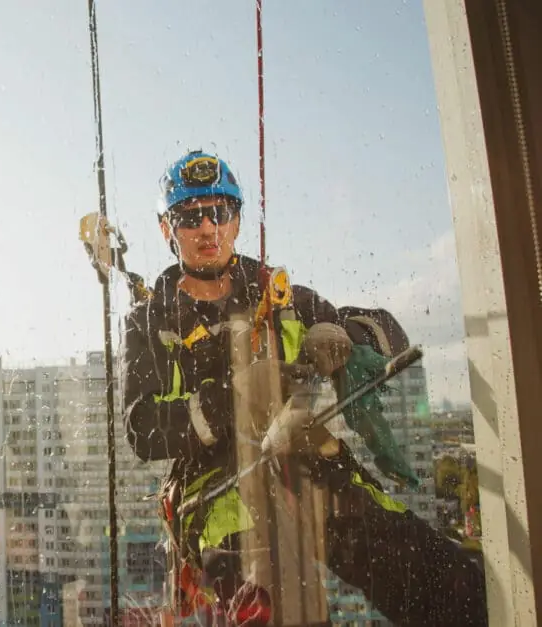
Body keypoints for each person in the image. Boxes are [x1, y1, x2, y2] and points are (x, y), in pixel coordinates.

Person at [121, 149, 488, 626]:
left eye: (220, 212)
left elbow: (384, 327)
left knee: (443, 582)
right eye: (191, 218)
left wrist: (347, 341)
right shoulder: (152, 322)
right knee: (270, 603)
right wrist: (232, 400)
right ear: (167, 230)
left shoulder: (276, 295)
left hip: (305, 458)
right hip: (214, 491)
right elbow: (142, 427)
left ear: (236, 220)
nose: (208, 229)